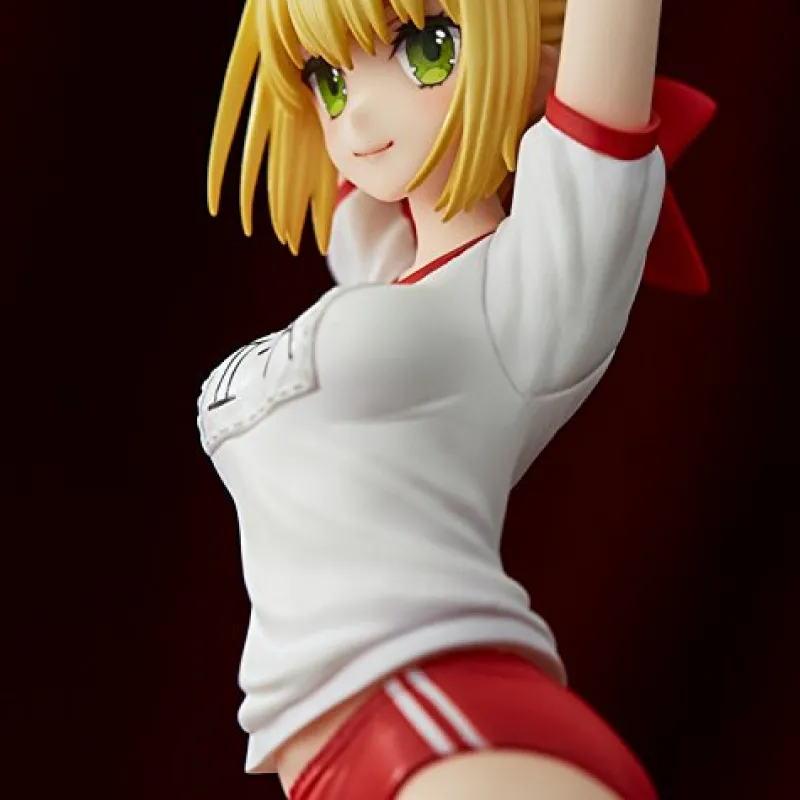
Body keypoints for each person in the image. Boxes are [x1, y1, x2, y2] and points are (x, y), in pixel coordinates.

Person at [197, 1, 715, 797]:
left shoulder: (525, 293)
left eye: (428, 49)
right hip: (328, 757)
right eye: (327, 80)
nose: (358, 113)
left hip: (446, 723)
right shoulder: (376, 265)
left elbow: (601, 111)